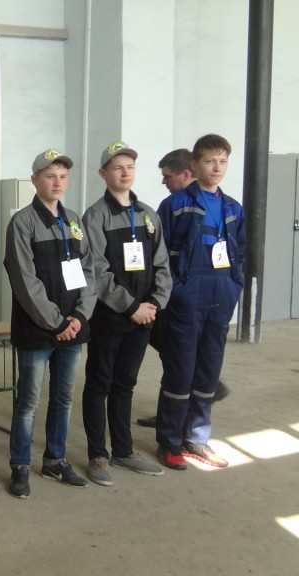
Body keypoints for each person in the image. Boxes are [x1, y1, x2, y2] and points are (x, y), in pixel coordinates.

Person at [4, 148, 96, 499]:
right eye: (49, 176)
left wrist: (80, 315)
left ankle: (55, 460)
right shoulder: (23, 222)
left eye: (62, 176)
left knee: (63, 398)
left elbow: (88, 271)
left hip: (73, 327)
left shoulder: (73, 220)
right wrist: (57, 322)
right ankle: (20, 465)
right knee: (28, 401)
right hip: (38, 328)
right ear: (34, 180)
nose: (57, 182)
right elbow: (25, 281)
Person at [79, 141, 171, 486]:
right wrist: (131, 307)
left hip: (144, 317)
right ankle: (97, 454)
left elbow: (162, 264)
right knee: (99, 384)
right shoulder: (95, 217)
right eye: (118, 167)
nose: (125, 172)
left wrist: (154, 304)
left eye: (130, 166)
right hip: (110, 318)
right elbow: (97, 271)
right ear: (103, 173)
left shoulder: (148, 215)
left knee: (125, 384)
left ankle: (123, 450)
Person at [154, 134, 245, 470]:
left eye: (222, 161)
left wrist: (234, 286)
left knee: (208, 371)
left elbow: (241, 251)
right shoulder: (176, 204)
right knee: (180, 371)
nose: (217, 168)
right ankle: (170, 441)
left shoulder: (233, 207)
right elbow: (160, 255)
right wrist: (177, 290)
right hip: (187, 296)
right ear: (194, 165)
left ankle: (196, 439)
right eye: (209, 161)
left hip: (221, 294)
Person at [136, 148, 230, 428]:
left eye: (168, 176)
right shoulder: (173, 206)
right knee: (174, 355)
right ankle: (173, 413)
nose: (164, 181)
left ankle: (187, 413)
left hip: (194, 297)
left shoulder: (224, 207)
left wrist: (231, 287)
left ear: (186, 174)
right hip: (175, 294)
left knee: (183, 355)